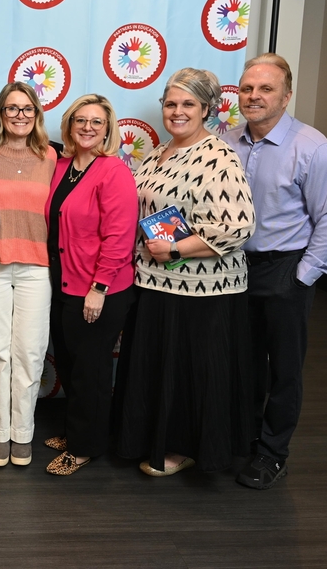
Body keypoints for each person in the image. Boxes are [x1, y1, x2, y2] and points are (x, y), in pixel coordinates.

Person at [116, 67, 257, 477]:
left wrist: (176, 247)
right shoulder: (160, 150)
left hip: (201, 292)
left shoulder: (218, 156)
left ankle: (182, 448)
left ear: (207, 109)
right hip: (157, 282)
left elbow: (238, 226)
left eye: (187, 104)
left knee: (188, 373)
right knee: (160, 369)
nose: (177, 111)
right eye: (170, 103)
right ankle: (153, 437)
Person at [223, 53, 327, 490]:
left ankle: (273, 453)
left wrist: (302, 276)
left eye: (266, 89)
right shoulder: (227, 139)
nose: (254, 96)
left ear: (287, 95)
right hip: (234, 267)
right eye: (247, 88)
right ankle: (244, 439)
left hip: (285, 267)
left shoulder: (313, 148)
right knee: (244, 361)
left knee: (284, 369)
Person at [41, 95, 138, 475]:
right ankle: (79, 429)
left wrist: (98, 288)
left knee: (90, 369)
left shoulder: (113, 171)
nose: (87, 128)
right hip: (63, 284)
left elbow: (118, 237)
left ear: (108, 129)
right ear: (68, 126)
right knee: (67, 362)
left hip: (100, 290)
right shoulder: (61, 166)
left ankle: (85, 447)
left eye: (97, 122)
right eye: (80, 120)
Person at [0, 83, 57, 468]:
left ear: (37, 114)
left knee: (28, 353)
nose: (20, 115)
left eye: (27, 109)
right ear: (0, 113)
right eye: (12, 108)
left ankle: (22, 434)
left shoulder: (52, 156)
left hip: (36, 267)